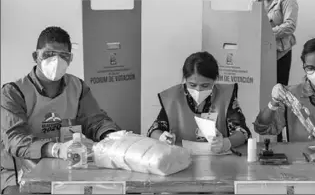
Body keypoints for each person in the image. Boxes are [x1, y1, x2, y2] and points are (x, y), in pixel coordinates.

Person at [0, 26, 120, 194]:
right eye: (48, 54)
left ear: (70, 59)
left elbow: (95, 120)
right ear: (36, 56)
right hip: (23, 172)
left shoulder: (77, 87)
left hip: (69, 165)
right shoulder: (13, 92)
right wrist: (56, 149)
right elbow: (15, 140)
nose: (56, 61)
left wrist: (113, 136)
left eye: (63, 56)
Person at [147, 51, 251, 154]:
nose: (198, 90)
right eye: (192, 85)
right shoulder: (173, 98)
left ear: (215, 80)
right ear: (185, 80)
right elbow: (154, 130)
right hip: (181, 159)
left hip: (218, 161)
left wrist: (226, 143)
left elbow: (243, 132)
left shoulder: (225, 96)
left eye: (205, 86)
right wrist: (162, 137)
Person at [250, 0, 299, 141]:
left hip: (280, 54)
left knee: (278, 94)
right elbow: (253, 25)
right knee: (264, 96)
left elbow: (290, 26)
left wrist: (268, 32)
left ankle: (279, 135)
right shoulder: (257, 2)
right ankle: (265, 133)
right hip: (263, 54)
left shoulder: (286, 0)